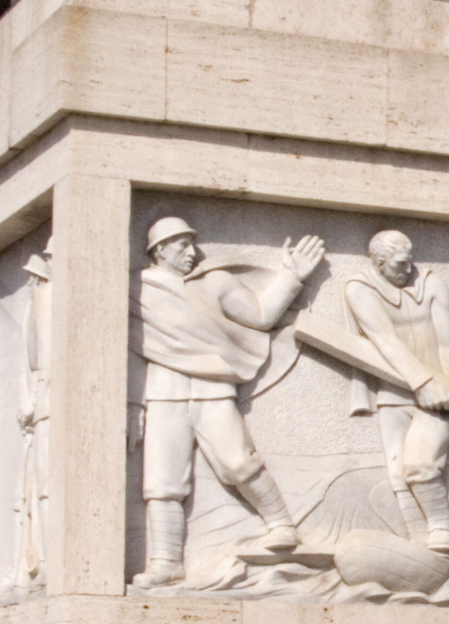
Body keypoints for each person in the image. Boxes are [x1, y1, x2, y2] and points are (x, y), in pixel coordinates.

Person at [132, 217, 325, 586]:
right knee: (162, 481)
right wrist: (131, 406)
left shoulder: (215, 282)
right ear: (160, 251)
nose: (193, 252)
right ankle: (166, 562)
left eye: (192, 243)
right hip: (163, 390)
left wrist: (290, 277)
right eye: (182, 245)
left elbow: (261, 315)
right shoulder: (135, 289)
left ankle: (282, 524)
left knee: (239, 463)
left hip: (213, 386)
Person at [343, 230, 449, 554]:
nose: (408, 268)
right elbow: (384, 338)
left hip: (441, 395)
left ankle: (442, 530)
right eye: (400, 263)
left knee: (421, 465)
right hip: (394, 392)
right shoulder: (359, 289)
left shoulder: (430, 283)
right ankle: (419, 547)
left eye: (410, 259)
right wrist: (420, 383)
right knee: (398, 474)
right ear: (379, 263)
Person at [15, 238, 52, 585]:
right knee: (42, 489)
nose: (28, 283)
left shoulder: (47, 300)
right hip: (43, 408)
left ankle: (48, 558)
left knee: (46, 488)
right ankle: (43, 558)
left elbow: (37, 360)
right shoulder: (42, 301)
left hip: (48, 409)